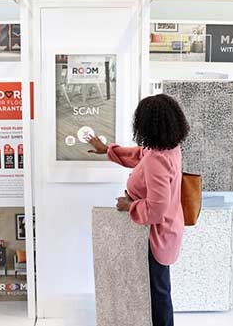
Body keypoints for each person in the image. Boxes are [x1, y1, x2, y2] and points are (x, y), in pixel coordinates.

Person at [87, 94, 189, 326]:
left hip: (156, 236)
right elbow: (140, 155)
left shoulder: (157, 160)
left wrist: (129, 205)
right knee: (158, 290)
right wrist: (109, 150)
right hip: (167, 231)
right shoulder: (169, 148)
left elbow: (156, 210)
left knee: (157, 295)